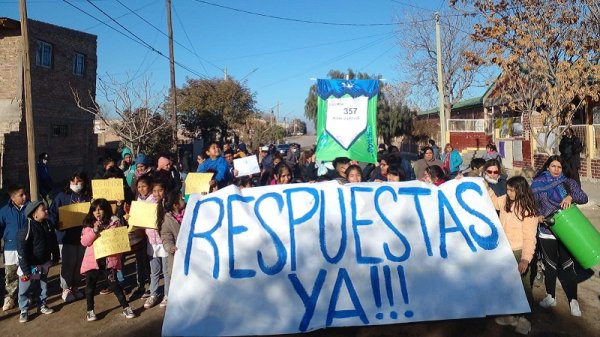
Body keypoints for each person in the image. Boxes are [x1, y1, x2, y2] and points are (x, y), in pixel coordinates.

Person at [531, 155, 588, 316]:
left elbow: (584, 197)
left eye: (559, 167)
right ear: (547, 167)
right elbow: (532, 205)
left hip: (568, 230)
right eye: (553, 166)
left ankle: (573, 300)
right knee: (550, 265)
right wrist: (538, 216)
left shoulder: (568, 183)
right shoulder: (537, 184)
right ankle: (551, 296)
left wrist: (571, 196)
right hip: (547, 230)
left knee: (568, 266)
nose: (556, 170)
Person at [487, 176, 538, 335]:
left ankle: (525, 319)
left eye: (511, 190)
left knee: (523, 287)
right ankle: (511, 314)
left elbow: (530, 237)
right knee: (507, 284)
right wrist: (486, 187)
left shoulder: (529, 211)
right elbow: (494, 201)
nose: (508, 192)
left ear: (520, 190)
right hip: (504, 250)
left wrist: (525, 258)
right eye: (507, 189)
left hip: (518, 252)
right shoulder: (504, 201)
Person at [80, 199, 135, 321]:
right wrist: (95, 230)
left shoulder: (114, 222)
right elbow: (84, 242)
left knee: (115, 285)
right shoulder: (89, 224)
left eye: (100, 209)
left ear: (106, 210)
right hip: (92, 262)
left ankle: (126, 307)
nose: (97, 212)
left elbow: (119, 240)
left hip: (108, 261)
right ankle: (90, 310)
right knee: (90, 287)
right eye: (94, 210)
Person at [48, 171, 91, 303]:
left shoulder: (87, 197)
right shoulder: (61, 196)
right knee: (68, 263)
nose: (76, 184)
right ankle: (66, 288)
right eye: (73, 182)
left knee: (79, 262)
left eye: (79, 182)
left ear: (84, 182)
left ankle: (76, 286)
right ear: (69, 182)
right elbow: (52, 214)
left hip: (82, 236)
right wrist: (56, 223)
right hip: (66, 236)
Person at [16, 200, 59, 323]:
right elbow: (22, 249)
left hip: (43, 264)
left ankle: (42, 305)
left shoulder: (48, 224)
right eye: (43, 210)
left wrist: (55, 256)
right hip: (29, 266)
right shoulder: (27, 228)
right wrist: (25, 269)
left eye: (46, 209)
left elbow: (54, 241)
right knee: (25, 288)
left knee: (43, 285)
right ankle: (24, 310)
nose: (47, 211)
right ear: (34, 214)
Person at [0, 184, 29, 311]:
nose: (24, 197)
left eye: (25, 194)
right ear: (12, 198)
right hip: (10, 248)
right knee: (11, 274)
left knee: (27, 272)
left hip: (27, 246)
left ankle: (27, 295)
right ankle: (10, 298)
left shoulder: (30, 208)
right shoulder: (4, 211)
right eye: (21, 195)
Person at [143, 181, 169, 309]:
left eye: (160, 190)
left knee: (166, 270)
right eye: (154, 191)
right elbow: (141, 219)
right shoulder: (147, 204)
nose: (157, 193)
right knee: (154, 271)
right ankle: (153, 294)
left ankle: (167, 294)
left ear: (164, 190)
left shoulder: (168, 204)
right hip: (151, 242)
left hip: (164, 241)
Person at [159, 191, 186, 308]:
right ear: (175, 205)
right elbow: (166, 237)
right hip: (178, 260)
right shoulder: (167, 221)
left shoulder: (190, 212)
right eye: (181, 198)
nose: (183, 199)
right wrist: (170, 247)